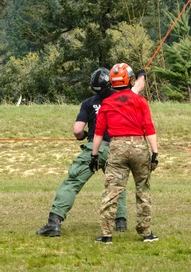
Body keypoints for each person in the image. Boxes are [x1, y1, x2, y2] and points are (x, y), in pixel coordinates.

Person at [34, 67, 146, 237]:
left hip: (96, 147)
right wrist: (141, 73)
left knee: (73, 181)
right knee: (116, 184)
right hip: (117, 147)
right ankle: (120, 222)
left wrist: (85, 135)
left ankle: (54, 223)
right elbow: (139, 85)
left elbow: (77, 130)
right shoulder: (122, 97)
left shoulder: (88, 103)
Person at [90, 62, 159, 244]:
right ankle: (146, 233)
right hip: (139, 148)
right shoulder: (139, 100)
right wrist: (155, 152)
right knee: (142, 189)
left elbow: (98, 132)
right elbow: (149, 128)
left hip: (117, 148)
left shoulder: (106, 103)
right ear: (130, 79)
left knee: (112, 191)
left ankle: (106, 234)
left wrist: (94, 155)